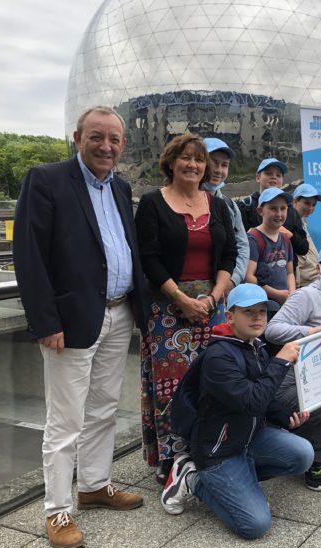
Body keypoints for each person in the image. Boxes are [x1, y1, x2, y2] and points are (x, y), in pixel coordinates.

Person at [13, 106, 149, 548]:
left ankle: (94, 485)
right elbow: (29, 255)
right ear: (77, 137)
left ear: (123, 145)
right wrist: (44, 321)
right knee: (65, 419)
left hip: (117, 312)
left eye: (113, 139)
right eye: (96, 137)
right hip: (69, 323)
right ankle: (57, 509)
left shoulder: (121, 187)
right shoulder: (47, 179)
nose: (105, 146)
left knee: (105, 407)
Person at [160, 284, 314, 539]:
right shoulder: (218, 356)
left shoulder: (255, 346)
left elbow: (264, 398)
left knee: (302, 455)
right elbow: (251, 401)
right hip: (218, 449)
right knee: (255, 526)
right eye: (248, 312)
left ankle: (240, 483)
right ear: (229, 317)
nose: (258, 317)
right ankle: (192, 479)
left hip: (248, 438)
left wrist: (286, 417)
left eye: (263, 311)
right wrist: (280, 361)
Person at [135, 133, 237, 483]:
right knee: (172, 386)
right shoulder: (153, 202)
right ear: (171, 162)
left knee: (215, 380)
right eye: (185, 157)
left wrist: (214, 297)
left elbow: (229, 255)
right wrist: (181, 298)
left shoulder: (218, 205)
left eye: (199, 159)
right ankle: (172, 458)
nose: (192, 164)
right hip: (168, 309)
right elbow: (147, 257)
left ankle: (210, 446)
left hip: (213, 305)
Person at [264, 242, 321, 490]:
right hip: (292, 381)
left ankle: (307, 451)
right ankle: (309, 455)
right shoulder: (306, 295)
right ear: (319, 268)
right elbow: (272, 330)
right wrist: (311, 331)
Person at [237, 157, 309, 266]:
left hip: (286, 276)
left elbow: (303, 248)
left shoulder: (291, 211)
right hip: (254, 275)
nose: (274, 177)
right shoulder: (246, 206)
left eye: (278, 175)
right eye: (268, 173)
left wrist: (290, 235)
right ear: (258, 177)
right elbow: (237, 244)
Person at [202, 137, 250, 290]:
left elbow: (241, 244)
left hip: (222, 291)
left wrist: (232, 280)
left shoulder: (230, 206)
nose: (218, 170)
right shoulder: (177, 201)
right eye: (213, 162)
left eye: (224, 165)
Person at [245, 187, 296, 306]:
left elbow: (290, 273)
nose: (279, 214)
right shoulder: (253, 239)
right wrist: (277, 295)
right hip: (263, 305)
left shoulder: (285, 239)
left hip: (285, 303)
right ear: (260, 211)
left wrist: (291, 294)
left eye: (283, 208)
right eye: (273, 208)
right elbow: (249, 277)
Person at [292, 183, 321, 288]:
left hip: (313, 281)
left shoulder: (301, 221)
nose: (310, 208)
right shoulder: (288, 222)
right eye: (307, 203)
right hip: (302, 284)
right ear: (295, 201)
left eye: (313, 204)